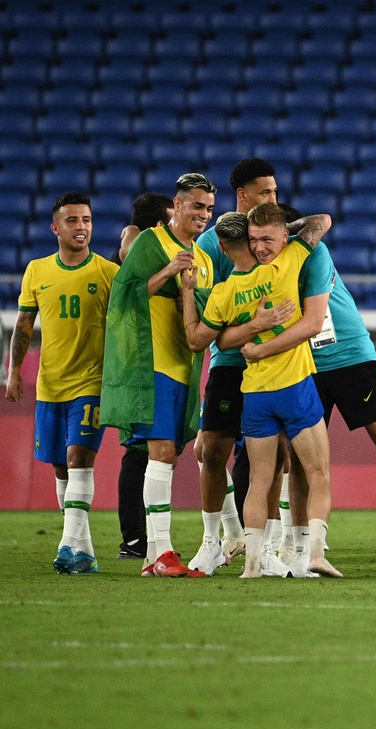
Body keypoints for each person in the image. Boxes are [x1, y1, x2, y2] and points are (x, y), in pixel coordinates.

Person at [262, 203, 376, 572]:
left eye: (273, 234)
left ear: (287, 232)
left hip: (349, 355)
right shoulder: (262, 266)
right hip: (305, 364)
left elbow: (320, 222)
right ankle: (298, 550)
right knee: (298, 458)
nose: (264, 245)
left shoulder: (313, 251)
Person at [183, 207, 336, 578]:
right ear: (249, 242)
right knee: (318, 473)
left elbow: (196, 340)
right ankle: (313, 553)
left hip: (253, 390)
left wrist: (188, 292)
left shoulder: (224, 292)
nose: (262, 246)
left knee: (259, 479)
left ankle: (252, 562)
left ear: (221, 246)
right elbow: (322, 222)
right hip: (293, 385)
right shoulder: (284, 264)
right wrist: (286, 233)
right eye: (256, 240)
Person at [101, 173, 218, 578]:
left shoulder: (203, 258)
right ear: (178, 205)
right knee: (161, 453)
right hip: (151, 364)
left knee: (168, 454)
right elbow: (123, 294)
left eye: (208, 208)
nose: (203, 214)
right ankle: (163, 553)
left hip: (183, 365)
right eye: (196, 206)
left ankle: (155, 554)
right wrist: (168, 272)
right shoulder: (151, 243)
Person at [6, 192, 119, 574]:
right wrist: (13, 372)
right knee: (59, 466)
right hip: (50, 385)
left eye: (86, 220)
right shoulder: (37, 270)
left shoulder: (107, 272)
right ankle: (84, 551)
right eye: (72, 220)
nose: (81, 227)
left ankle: (66, 545)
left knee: (78, 459)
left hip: (91, 382)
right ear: (56, 228)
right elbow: (23, 327)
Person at [186, 159, 290, 575]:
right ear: (242, 195)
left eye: (276, 193)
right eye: (265, 193)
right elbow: (211, 318)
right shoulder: (213, 245)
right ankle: (214, 541)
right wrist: (251, 324)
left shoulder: (277, 235)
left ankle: (269, 544)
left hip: (276, 358)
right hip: (229, 361)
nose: (273, 200)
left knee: (277, 454)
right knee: (211, 449)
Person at [111, 192, 174, 560]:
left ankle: (142, 539)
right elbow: (128, 243)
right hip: (140, 360)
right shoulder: (138, 244)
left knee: (150, 451)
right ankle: (135, 539)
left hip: (159, 357)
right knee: (139, 450)